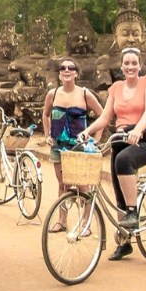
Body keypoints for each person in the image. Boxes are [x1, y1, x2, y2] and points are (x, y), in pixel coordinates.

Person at [79, 46, 146, 261]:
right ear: (121, 66)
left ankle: (133, 212)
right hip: (121, 140)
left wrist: (138, 129)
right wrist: (87, 131)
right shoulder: (116, 88)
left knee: (124, 161)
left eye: (134, 63)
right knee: (118, 192)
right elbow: (105, 118)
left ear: (140, 65)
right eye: (127, 63)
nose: (131, 66)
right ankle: (124, 242)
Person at [41, 58, 103, 233]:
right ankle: (62, 221)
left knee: (82, 184)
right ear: (59, 73)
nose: (66, 70)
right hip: (58, 145)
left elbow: (102, 115)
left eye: (71, 68)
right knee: (63, 183)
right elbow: (45, 115)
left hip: (79, 146)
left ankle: (86, 222)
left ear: (76, 73)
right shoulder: (52, 94)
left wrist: (96, 138)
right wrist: (47, 135)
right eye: (63, 68)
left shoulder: (85, 94)